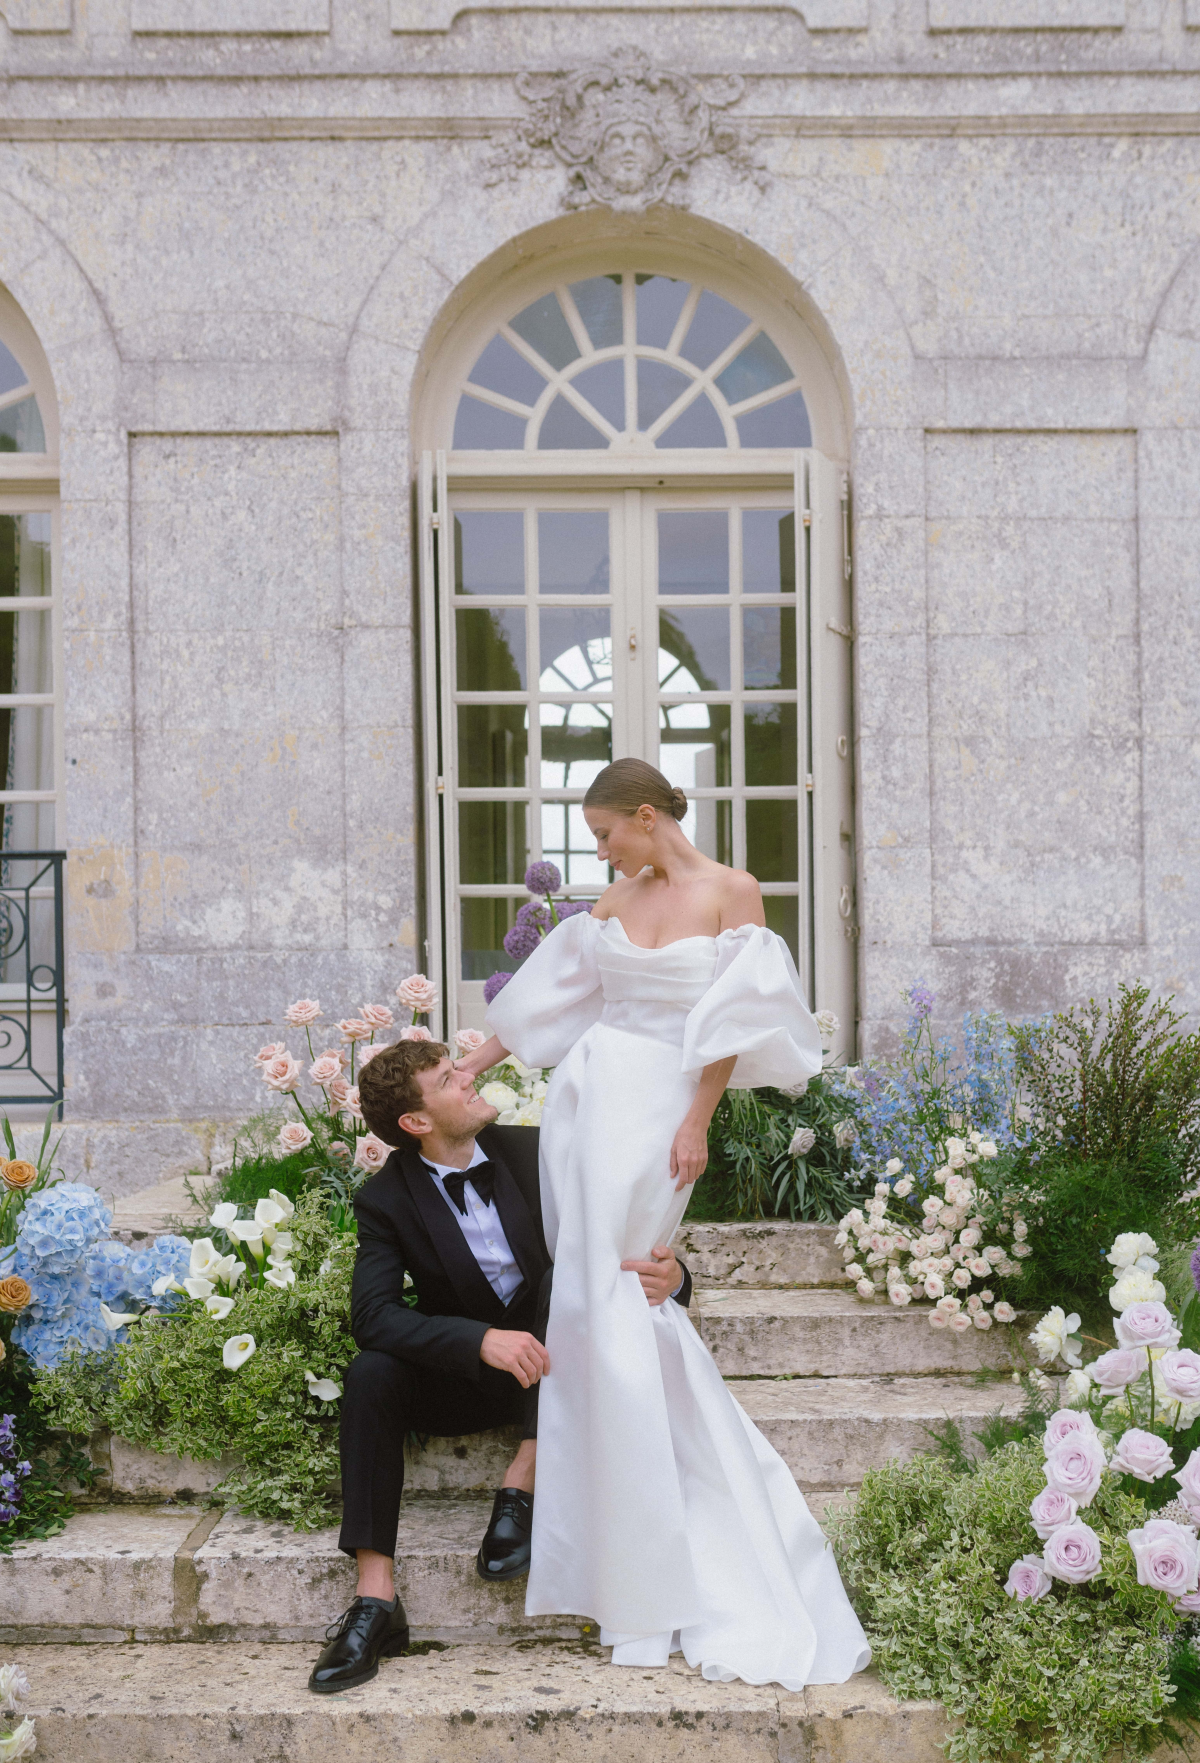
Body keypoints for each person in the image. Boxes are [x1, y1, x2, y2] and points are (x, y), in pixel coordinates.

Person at [457, 757, 872, 1689]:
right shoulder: (614, 897)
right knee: (588, 1295)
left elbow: (734, 1021)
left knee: (626, 1289)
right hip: (587, 1100)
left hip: (660, 1108)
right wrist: (467, 1066)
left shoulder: (733, 891)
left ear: (647, 816)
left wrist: (697, 1122)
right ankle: (612, 1535)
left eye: (606, 833)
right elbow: (551, 996)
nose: (601, 852)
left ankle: (657, 1531)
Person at [308, 1033, 693, 1694]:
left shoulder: (536, 1150)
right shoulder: (386, 1198)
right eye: (447, 1078)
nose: (468, 1076)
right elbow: (372, 1316)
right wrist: (478, 1339)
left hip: (565, 1368)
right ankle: (376, 1599)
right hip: (472, 1376)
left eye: (456, 1067)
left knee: (564, 1277)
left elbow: (623, 1238)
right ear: (416, 1123)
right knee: (370, 1372)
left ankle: (524, 1479)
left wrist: (676, 1277)